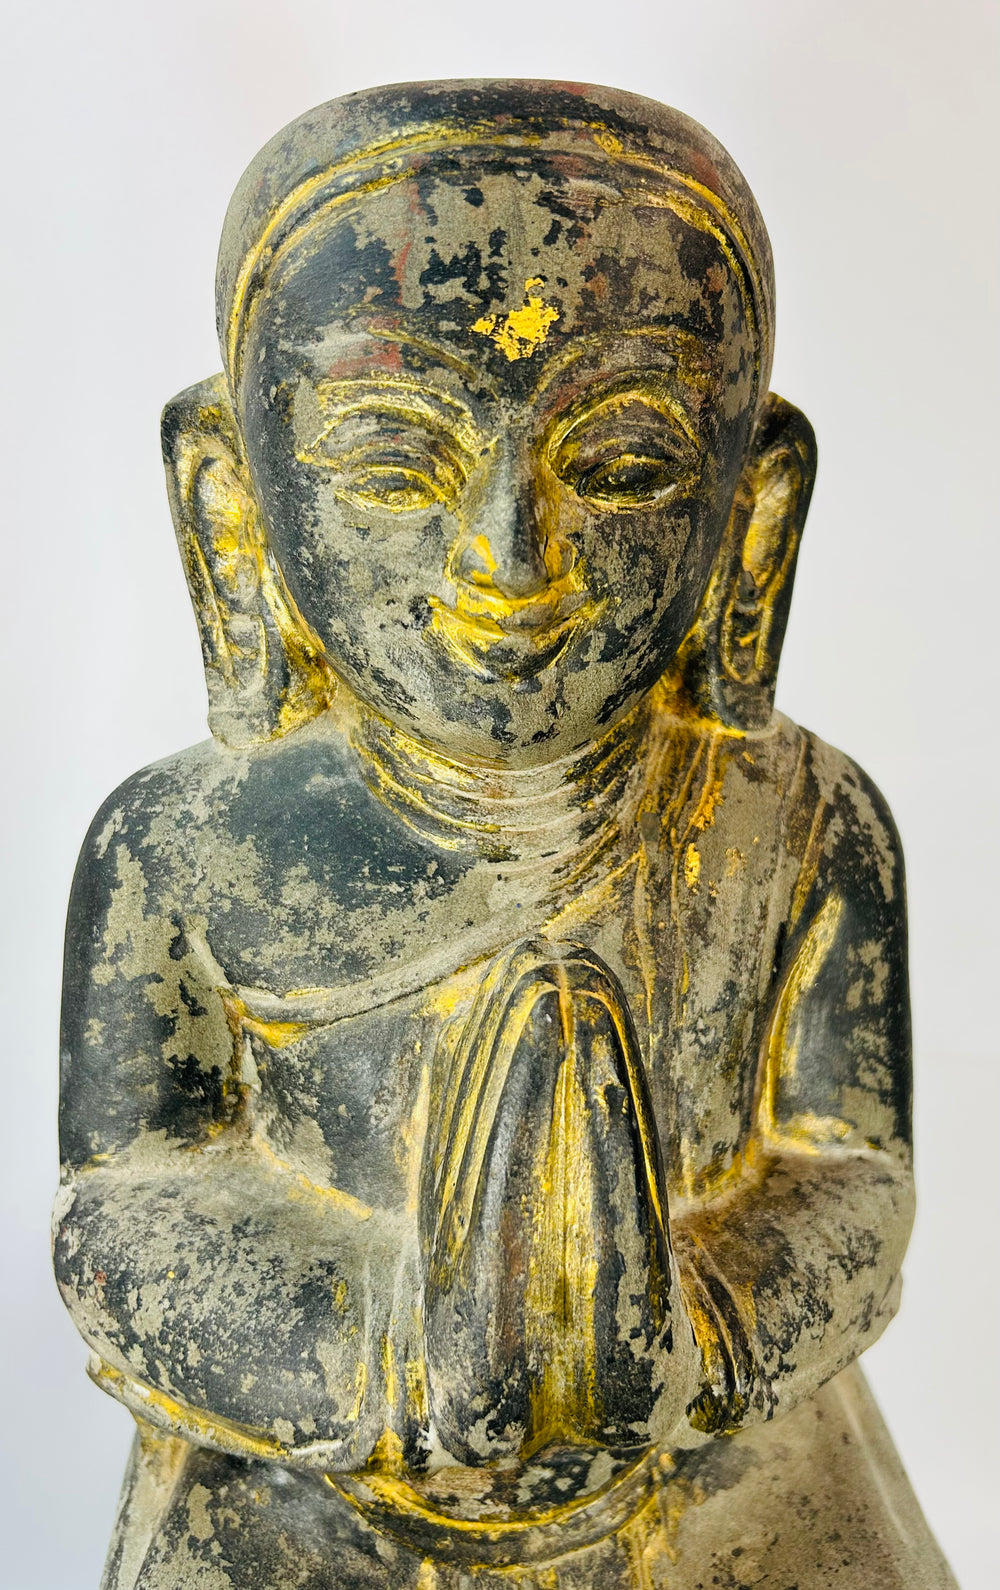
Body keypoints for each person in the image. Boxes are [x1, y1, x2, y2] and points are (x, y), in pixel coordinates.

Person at [54, 80, 955, 1589]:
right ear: (230, 505)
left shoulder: (799, 825)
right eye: (393, 463)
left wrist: (699, 1330)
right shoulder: (181, 848)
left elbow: (850, 1164)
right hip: (314, 1494)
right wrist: (384, 1359)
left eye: (619, 465)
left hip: (720, 1467)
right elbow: (122, 1210)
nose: (507, 559)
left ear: (755, 511)